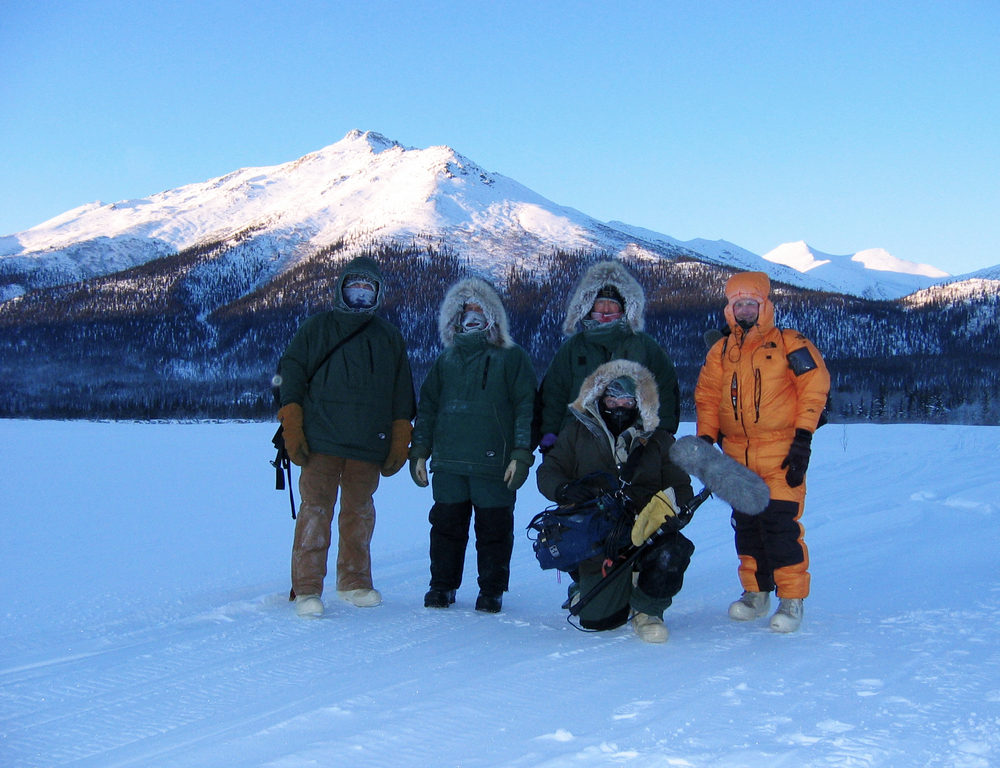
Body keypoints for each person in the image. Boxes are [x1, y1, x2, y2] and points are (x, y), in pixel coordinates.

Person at [277, 256, 416, 618]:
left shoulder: (389, 337)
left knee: (359, 515)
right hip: (321, 440)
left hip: (369, 443)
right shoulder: (317, 328)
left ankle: (353, 582)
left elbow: (403, 393)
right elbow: (290, 374)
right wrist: (292, 422)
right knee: (315, 512)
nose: (361, 291)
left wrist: (401, 435)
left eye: (368, 286)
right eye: (355, 285)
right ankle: (307, 587)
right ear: (341, 287)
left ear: (378, 292)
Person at [694, 271, 830, 633]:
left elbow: (815, 388)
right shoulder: (720, 351)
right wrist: (705, 441)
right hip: (736, 455)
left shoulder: (789, 343)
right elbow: (706, 399)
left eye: (751, 304)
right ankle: (756, 594)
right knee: (747, 527)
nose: (745, 310)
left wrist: (803, 439)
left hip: (782, 450)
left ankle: (791, 600)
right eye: (738, 304)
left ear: (764, 306)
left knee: (780, 525)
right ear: (730, 308)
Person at [536, 360, 695, 643]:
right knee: (598, 621)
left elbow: (681, 485)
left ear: (639, 401)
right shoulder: (576, 432)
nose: (619, 404)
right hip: (597, 533)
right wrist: (563, 491)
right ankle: (583, 584)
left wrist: (677, 508)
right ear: (599, 398)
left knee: (674, 550)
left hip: (645, 528)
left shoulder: (659, 439)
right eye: (612, 397)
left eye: (627, 398)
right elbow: (548, 471)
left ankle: (648, 608)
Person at [409, 278, 536, 613]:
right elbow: (428, 408)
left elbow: (526, 408)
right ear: (456, 317)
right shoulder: (445, 360)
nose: (473, 316)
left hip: (493, 464)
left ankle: (491, 591)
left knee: (494, 531)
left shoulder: (512, 357)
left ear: (494, 315)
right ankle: (442, 587)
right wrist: (419, 451)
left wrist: (521, 455)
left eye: (481, 310)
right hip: (449, 463)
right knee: (445, 529)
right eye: (467, 311)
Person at [535, 261, 680, 453]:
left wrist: (663, 432)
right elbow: (554, 394)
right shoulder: (573, 348)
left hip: (634, 442)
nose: (605, 310)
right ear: (588, 307)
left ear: (625, 309)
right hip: (577, 442)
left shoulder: (644, 346)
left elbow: (666, 390)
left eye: (612, 304)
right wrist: (550, 433)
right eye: (600, 303)